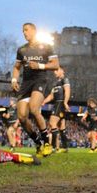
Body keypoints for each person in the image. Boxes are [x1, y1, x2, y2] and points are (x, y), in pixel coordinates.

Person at [11, 22, 59, 157]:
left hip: (40, 80)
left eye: (26, 30)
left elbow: (55, 65)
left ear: (34, 31)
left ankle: (47, 143)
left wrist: (39, 66)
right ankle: (38, 143)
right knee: (22, 117)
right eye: (23, 31)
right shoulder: (21, 50)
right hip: (26, 83)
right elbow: (16, 67)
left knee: (33, 108)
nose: (24, 33)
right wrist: (14, 80)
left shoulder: (46, 47)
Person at [42, 67, 71, 153]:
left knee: (52, 123)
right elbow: (51, 96)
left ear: (62, 71)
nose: (55, 72)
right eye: (54, 71)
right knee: (61, 127)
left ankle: (53, 147)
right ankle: (65, 147)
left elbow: (67, 91)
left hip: (60, 103)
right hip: (57, 103)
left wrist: (65, 102)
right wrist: (44, 101)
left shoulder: (65, 80)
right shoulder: (55, 83)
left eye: (56, 70)